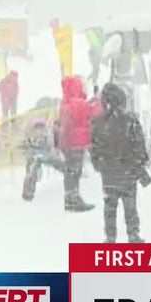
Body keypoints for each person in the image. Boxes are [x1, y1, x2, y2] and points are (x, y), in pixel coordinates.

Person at [91, 83, 151, 243]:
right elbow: (139, 144)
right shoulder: (130, 120)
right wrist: (140, 162)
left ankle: (110, 237)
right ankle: (133, 234)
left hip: (109, 173)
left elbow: (94, 148)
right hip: (127, 172)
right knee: (130, 205)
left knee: (109, 206)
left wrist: (99, 164)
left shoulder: (98, 122)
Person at [58, 76, 96, 212]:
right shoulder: (80, 103)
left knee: (70, 171)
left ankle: (69, 197)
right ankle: (74, 200)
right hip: (78, 142)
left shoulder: (64, 103)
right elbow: (92, 116)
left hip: (67, 142)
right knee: (76, 170)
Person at [21, 119, 63, 201]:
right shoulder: (30, 139)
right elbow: (27, 150)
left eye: (41, 129)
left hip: (49, 157)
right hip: (37, 157)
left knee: (61, 165)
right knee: (31, 171)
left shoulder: (48, 136)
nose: (39, 131)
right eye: (37, 129)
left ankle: (72, 175)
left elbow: (51, 149)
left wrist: (51, 155)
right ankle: (28, 192)